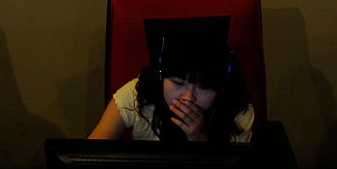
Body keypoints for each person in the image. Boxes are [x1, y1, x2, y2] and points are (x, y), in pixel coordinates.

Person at [89, 31, 253, 142]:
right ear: (161, 77)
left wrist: (198, 138)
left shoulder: (238, 110)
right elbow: (91, 155)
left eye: (203, 87)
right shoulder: (139, 92)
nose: (188, 97)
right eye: (178, 83)